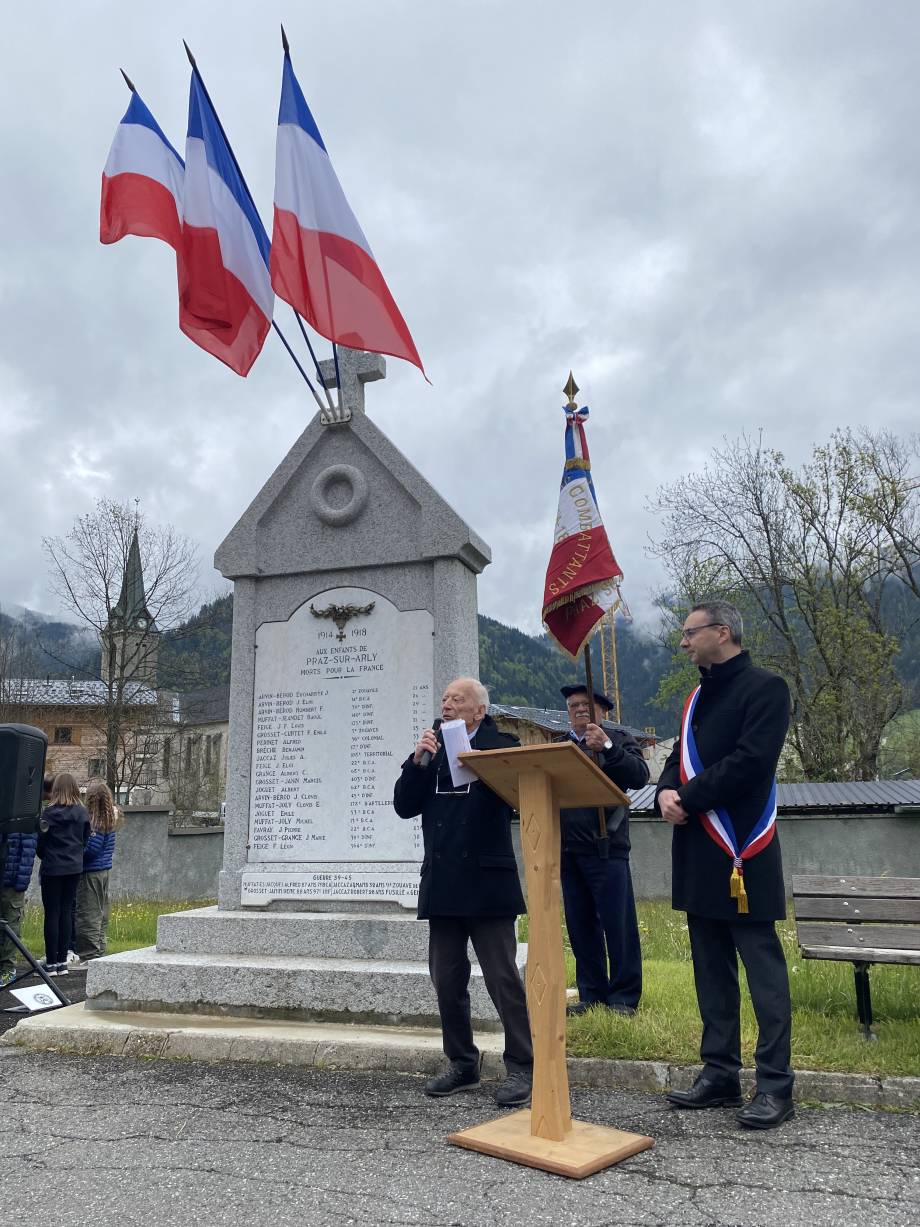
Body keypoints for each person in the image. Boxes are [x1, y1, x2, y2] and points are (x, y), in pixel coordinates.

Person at [656, 600, 794, 1130]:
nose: (684, 642)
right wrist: (665, 792)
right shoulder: (694, 699)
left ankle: (776, 1084)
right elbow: (675, 760)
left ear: (723, 631)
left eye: (690, 633)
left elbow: (752, 762)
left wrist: (686, 798)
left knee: (763, 975)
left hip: (742, 850)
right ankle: (719, 1074)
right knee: (711, 971)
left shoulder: (766, 688)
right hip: (698, 852)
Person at [394, 677, 533, 1106]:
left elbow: (521, 797)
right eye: (444, 699)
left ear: (479, 711)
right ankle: (462, 1063)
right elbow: (403, 805)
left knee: (501, 977)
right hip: (444, 882)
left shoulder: (500, 745)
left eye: (458, 699)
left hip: (487, 881)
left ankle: (523, 1066)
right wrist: (418, 762)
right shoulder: (430, 748)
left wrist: (481, 761)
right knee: (447, 978)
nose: (447, 704)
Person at [557, 685, 649, 1016]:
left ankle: (624, 997)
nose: (579, 709)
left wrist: (607, 748)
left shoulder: (620, 739)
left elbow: (639, 776)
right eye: (573, 705)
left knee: (618, 924)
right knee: (581, 926)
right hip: (567, 849)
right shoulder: (559, 746)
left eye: (586, 705)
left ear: (603, 711)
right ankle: (591, 993)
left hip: (606, 844)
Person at [36, 772, 91, 976]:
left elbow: (40, 844)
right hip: (74, 867)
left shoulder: (48, 814)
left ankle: (51, 963)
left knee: (52, 913)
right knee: (67, 912)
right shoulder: (83, 813)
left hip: (52, 867)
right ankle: (62, 961)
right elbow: (85, 841)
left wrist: (48, 856)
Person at [0, 778, 49, 988]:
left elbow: (24, 850)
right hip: (12, 876)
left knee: (11, 922)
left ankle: (7, 968)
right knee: (10, 921)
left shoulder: (24, 818)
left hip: (12, 879)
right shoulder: (22, 814)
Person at [74, 778, 122, 962]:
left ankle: (89, 955)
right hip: (104, 870)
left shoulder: (95, 821)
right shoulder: (110, 817)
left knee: (88, 913)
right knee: (101, 913)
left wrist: (76, 852)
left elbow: (92, 849)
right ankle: (100, 951)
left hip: (91, 872)